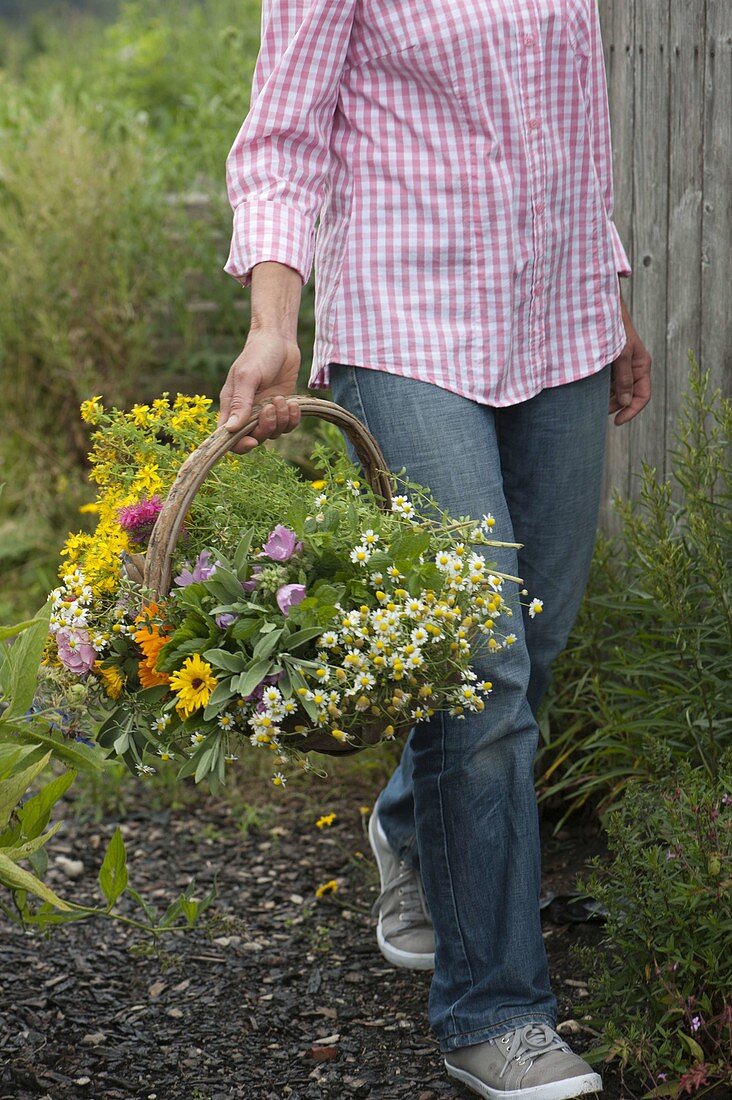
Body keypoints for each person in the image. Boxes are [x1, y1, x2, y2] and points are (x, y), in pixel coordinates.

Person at [218, 3, 652, 1097]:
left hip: (558, 320)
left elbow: (570, 126)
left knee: (536, 636)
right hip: (407, 322)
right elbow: (284, 134)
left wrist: (608, 295)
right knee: (481, 668)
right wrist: (275, 319)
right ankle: (492, 1009)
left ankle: (413, 824)